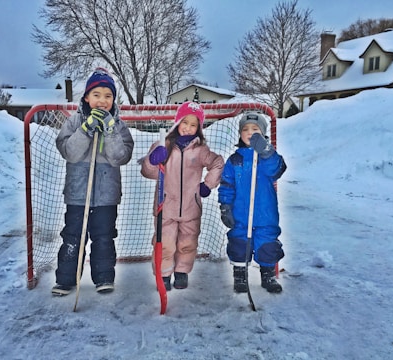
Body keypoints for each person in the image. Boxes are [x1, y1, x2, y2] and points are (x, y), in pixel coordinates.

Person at [52, 67, 134, 296]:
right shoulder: (74, 122)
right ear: (87, 97)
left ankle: (104, 277)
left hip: (107, 194)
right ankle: (66, 279)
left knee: (104, 236)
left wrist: (109, 129)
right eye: (96, 95)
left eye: (108, 96)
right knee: (73, 235)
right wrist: (86, 130)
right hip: (78, 193)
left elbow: (120, 157)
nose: (102, 100)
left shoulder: (119, 126)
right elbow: (70, 152)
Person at [140, 101, 224, 291]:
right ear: (177, 122)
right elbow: (148, 172)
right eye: (185, 122)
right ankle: (164, 275)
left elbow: (217, 163)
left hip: (190, 208)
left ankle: (181, 272)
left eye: (193, 125)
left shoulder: (201, 150)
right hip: (165, 206)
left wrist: (207, 185)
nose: (188, 128)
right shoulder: (164, 145)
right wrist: (154, 160)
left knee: (188, 243)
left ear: (199, 128)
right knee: (165, 243)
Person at [218, 112, 286, 293]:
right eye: (245, 129)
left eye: (255, 129)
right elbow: (227, 184)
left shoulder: (268, 157)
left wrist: (266, 152)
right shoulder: (235, 160)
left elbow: (278, 169)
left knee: (267, 243)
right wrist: (225, 206)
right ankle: (240, 274)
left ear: (263, 133)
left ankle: (268, 274)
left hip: (265, 213)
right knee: (239, 242)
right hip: (240, 213)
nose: (249, 132)